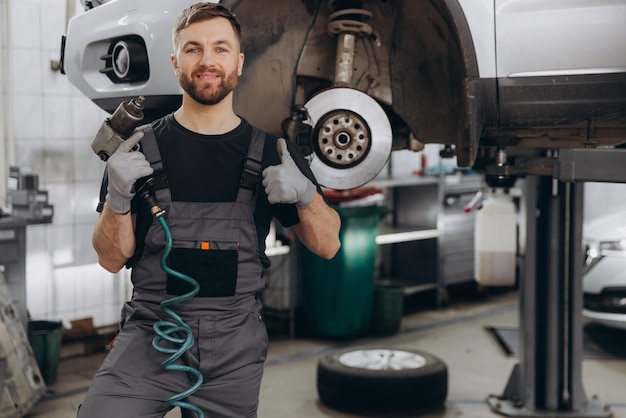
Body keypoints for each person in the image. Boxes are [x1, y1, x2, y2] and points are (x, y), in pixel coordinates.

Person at [77, 3, 341, 417]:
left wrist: (306, 196)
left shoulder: (273, 152)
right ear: (175, 61)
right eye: (193, 49)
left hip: (235, 345)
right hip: (152, 334)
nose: (207, 61)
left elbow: (327, 245)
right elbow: (110, 259)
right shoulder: (136, 149)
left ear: (238, 61)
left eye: (220, 49)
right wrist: (118, 199)